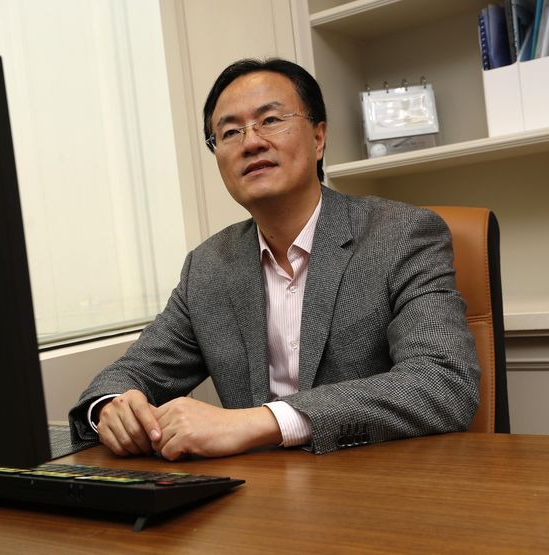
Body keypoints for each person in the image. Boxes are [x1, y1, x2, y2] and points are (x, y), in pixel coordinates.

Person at [69, 58, 480, 458]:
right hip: (258, 497)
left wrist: (259, 422)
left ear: (318, 138)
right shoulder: (209, 266)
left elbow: (443, 382)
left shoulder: (401, 235)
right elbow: (133, 372)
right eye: (229, 132)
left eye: (270, 120)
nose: (251, 142)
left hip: (376, 489)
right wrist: (111, 407)